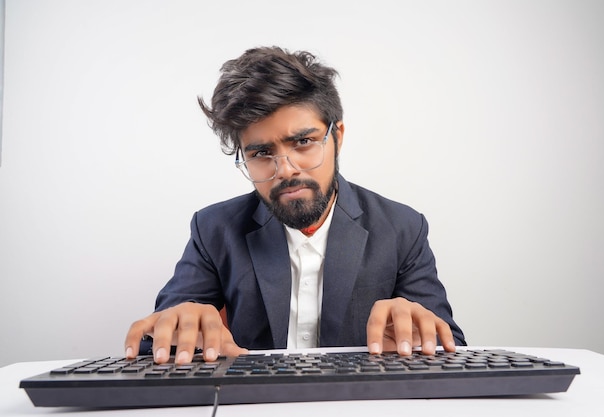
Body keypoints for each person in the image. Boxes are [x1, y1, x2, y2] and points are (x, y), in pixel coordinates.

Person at [125, 46, 466, 365]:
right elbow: (150, 346)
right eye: (260, 153)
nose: (286, 169)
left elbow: (451, 349)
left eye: (303, 141)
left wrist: (420, 333)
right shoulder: (214, 229)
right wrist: (181, 327)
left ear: (338, 137)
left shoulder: (401, 228)